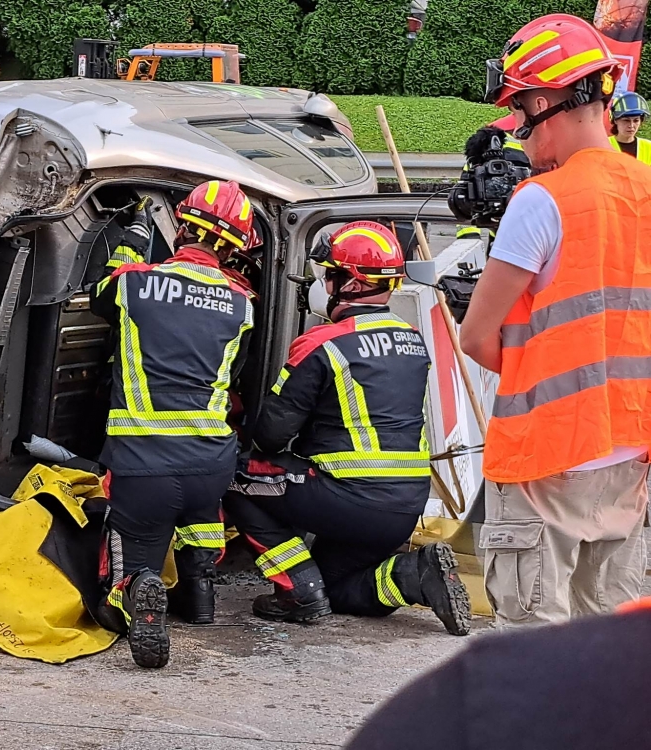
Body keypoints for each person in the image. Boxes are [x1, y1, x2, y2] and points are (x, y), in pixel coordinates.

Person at [462, 13, 651, 627]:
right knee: (613, 659)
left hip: (544, 460)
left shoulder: (541, 200)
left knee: (532, 663)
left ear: (545, 101)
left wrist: (540, 373)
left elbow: (477, 337)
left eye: (519, 112)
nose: (517, 132)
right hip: (626, 458)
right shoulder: (647, 188)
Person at [223, 221, 471, 636]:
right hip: (404, 506)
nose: (322, 283)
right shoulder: (412, 341)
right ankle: (413, 575)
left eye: (329, 274)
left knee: (232, 476)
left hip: (351, 500)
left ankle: (298, 590)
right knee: (337, 589)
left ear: (350, 284)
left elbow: (269, 436)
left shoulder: (322, 343)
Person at [89, 180, 256, 668]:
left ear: (181, 225)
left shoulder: (132, 283)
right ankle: (199, 595)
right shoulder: (243, 304)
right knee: (199, 521)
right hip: (211, 466)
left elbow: (101, 295)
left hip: (143, 464)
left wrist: (133, 236)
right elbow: (235, 374)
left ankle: (133, 593)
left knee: (128, 568)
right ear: (235, 247)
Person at [343, 599, 651, 749]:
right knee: (603, 592)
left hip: (539, 482)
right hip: (624, 480)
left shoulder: (486, 699)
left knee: (536, 622)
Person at [609, 91, 651, 164]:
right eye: (626, 120)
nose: (631, 125)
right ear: (615, 120)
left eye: (636, 121)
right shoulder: (604, 145)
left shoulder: (648, 147)